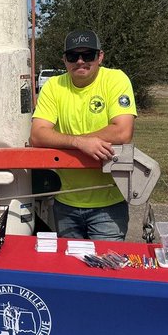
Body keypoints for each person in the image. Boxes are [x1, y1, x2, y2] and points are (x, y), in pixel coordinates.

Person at [30, 30, 137, 240]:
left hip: (108, 203)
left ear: (100, 56)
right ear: (64, 59)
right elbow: (38, 135)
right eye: (73, 56)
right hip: (66, 201)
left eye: (87, 55)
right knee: (70, 270)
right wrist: (80, 142)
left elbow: (123, 132)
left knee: (107, 268)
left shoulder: (116, 79)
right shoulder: (54, 86)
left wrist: (69, 140)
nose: (80, 61)